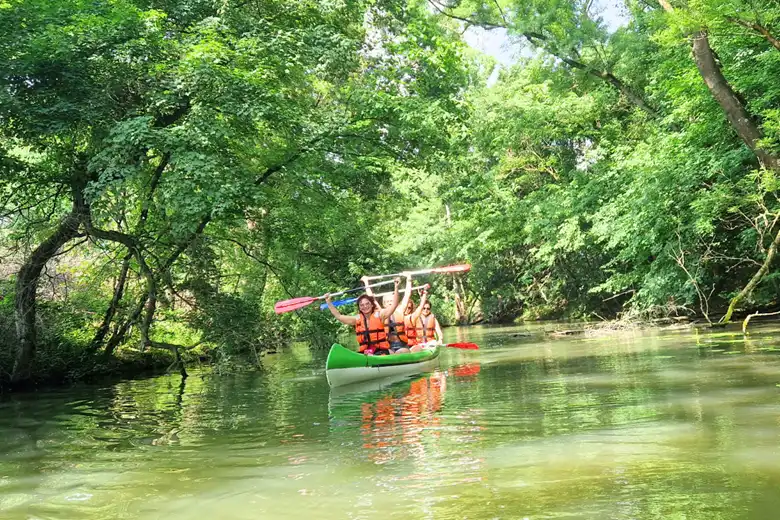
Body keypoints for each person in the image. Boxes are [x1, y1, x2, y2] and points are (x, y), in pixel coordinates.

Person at [325, 276, 404, 355]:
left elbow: (394, 305)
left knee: (401, 351)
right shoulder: (356, 319)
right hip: (365, 352)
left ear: (372, 305)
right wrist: (329, 302)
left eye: (367, 304)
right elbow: (339, 316)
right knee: (365, 353)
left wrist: (396, 287)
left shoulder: (380, 315)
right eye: (362, 305)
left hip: (380, 351)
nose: (365, 306)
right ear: (359, 307)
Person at [363, 275, 415, 354]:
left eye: (392, 300)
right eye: (388, 301)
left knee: (400, 352)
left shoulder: (400, 310)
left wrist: (409, 279)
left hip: (402, 345)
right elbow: (371, 298)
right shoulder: (382, 313)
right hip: (388, 345)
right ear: (384, 304)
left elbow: (407, 294)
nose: (390, 303)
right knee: (387, 353)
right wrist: (366, 282)